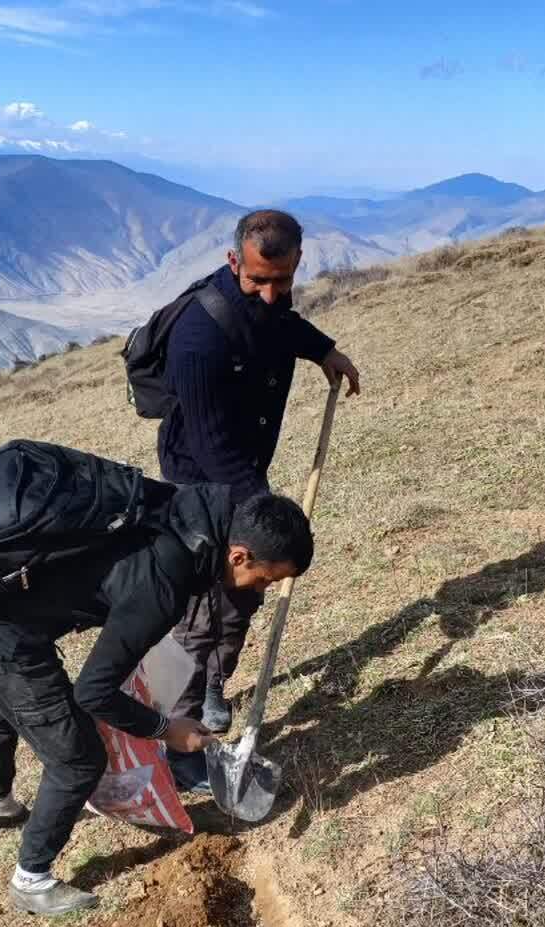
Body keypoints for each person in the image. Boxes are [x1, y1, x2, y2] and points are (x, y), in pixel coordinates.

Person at [0, 449, 314, 916]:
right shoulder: (165, 581)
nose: (259, 591)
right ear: (238, 553)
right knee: (77, 757)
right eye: (263, 580)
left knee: (2, 694)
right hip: (0, 622)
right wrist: (164, 728)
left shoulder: (187, 510)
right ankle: (31, 879)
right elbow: (93, 693)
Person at [156, 209, 361, 744]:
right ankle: (176, 719)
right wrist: (265, 512)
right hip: (198, 483)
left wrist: (323, 350)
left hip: (243, 473)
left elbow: (279, 325)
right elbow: (210, 443)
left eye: (283, 281)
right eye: (257, 281)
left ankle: (216, 685)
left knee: (246, 591)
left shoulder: (272, 301)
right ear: (232, 262)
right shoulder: (197, 336)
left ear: (297, 263)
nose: (271, 293)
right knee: (201, 603)